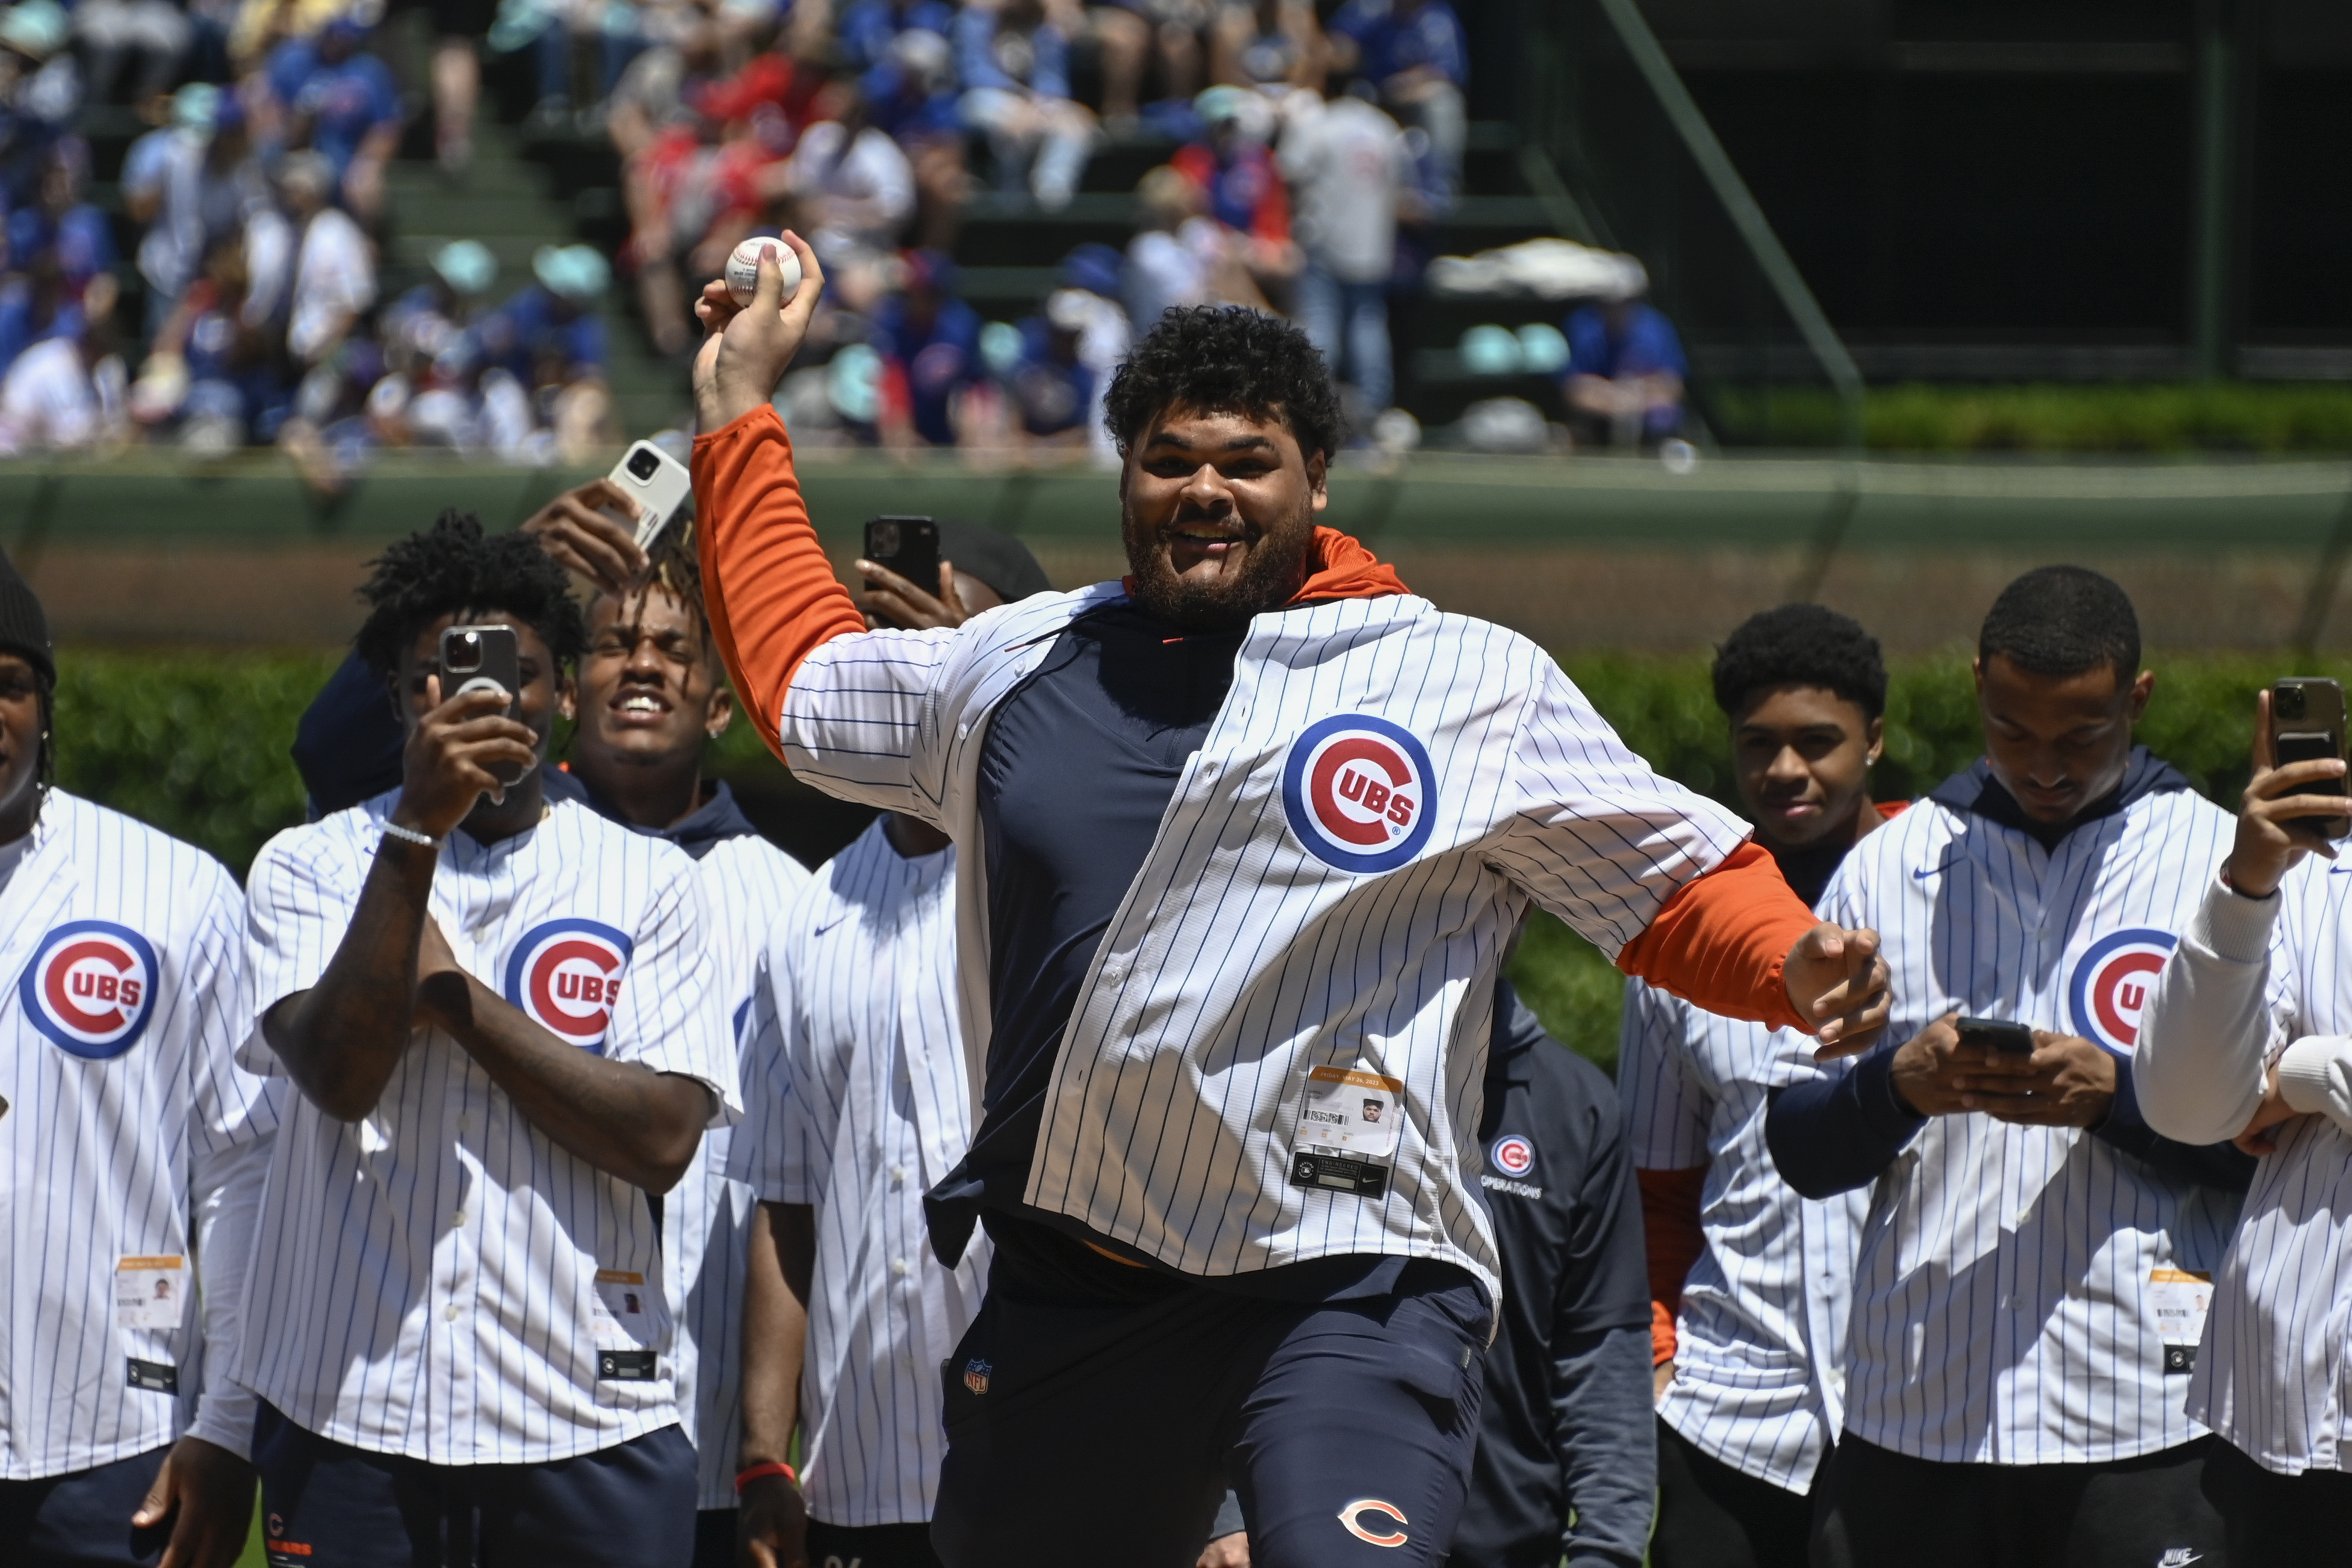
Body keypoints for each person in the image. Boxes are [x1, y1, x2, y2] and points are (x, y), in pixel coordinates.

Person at [689, 241, 1890, 1568]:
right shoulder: (1013, 660)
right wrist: (738, 407)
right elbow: (801, 679)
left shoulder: (1459, 678)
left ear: (1315, 481)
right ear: (1126, 475)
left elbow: (1672, 882)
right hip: (1080, 1284)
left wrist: (1790, 958)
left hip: (1351, 1279)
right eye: (1168, 459)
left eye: (1245, 461)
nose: (1203, 490)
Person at [231, 512, 735, 1568]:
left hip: (585, 1417)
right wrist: (416, 830)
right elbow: (338, 1075)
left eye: (522, 671)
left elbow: (660, 1138)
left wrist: (456, 1001)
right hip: (350, 1408)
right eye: (438, 675)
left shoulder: (654, 881)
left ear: (558, 698)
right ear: (398, 697)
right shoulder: (307, 865)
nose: (480, 696)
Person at [1765, 567, 2256, 1568]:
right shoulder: (1887, 865)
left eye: (2079, 734)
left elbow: (2279, 1160)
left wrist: (2116, 1100)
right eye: (2009, 728)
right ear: (1975, 683)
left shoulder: (2224, 872)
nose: (2042, 765)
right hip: (1915, 1416)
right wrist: (1896, 1085)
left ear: (2138, 697)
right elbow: (1799, 1146)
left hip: (2144, 1417)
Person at [737, 522, 1055, 1568]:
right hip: (859, 1465)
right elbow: (785, 1204)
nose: (902, 656)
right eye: (877, 631)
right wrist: (759, 1454)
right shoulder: (809, 908)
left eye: (936, 631)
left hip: (1055, 1451)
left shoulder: (1069, 877)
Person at [0, 548, 278, 1568]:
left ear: (47, 707)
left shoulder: (176, 891)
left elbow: (243, 1174)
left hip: (119, 1438)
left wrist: (228, 1425)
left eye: (13, 682)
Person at [1620, 605, 1893, 1568]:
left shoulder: (1954, 897)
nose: (1786, 770)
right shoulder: (1678, 937)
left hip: (1914, 1413)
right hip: (1725, 1416)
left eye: (1818, 742)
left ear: (1876, 738)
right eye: (1758, 745)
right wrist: (1659, 1365)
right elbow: (1657, 1189)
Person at [2136, 691, 2352, 1560]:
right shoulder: (2316, 874)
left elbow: (2271, 1086)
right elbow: (2193, 1106)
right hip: (2282, 1414)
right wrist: (2249, 880)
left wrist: (2309, 1071)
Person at [1277, 79, 1414, 423]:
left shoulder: (1320, 123)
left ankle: (1311, 407)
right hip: (1373, 245)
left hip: (1326, 239)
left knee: (1322, 327)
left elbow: (1287, 170)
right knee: (1368, 328)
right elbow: (1402, 187)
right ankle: (1373, 413)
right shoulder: (1386, 128)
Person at [954, 0, 1095, 211]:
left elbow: (1053, 80)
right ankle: (1011, 193)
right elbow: (974, 74)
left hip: (1034, 102)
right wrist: (1020, 100)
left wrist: (1038, 104)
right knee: (1011, 120)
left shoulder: (1045, 24)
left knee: (1074, 123)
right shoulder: (976, 17)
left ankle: (1052, 193)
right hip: (984, 97)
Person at [1324, 0, 1465, 203]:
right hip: (1370, 95)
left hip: (1414, 101)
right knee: (1349, 104)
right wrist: (1345, 50)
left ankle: (1439, 186)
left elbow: (1447, 71)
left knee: (1443, 103)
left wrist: (1411, 83)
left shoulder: (1438, 18)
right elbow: (1336, 44)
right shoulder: (1371, 8)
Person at [1561, 288, 1686, 452]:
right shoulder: (1582, 326)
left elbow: (1673, 387)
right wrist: (1614, 401)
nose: (1615, 307)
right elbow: (1573, 391)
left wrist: (1636, 398)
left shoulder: (1657, 327)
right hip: (1600, 415)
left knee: (1662, 417)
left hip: (1647, 413)